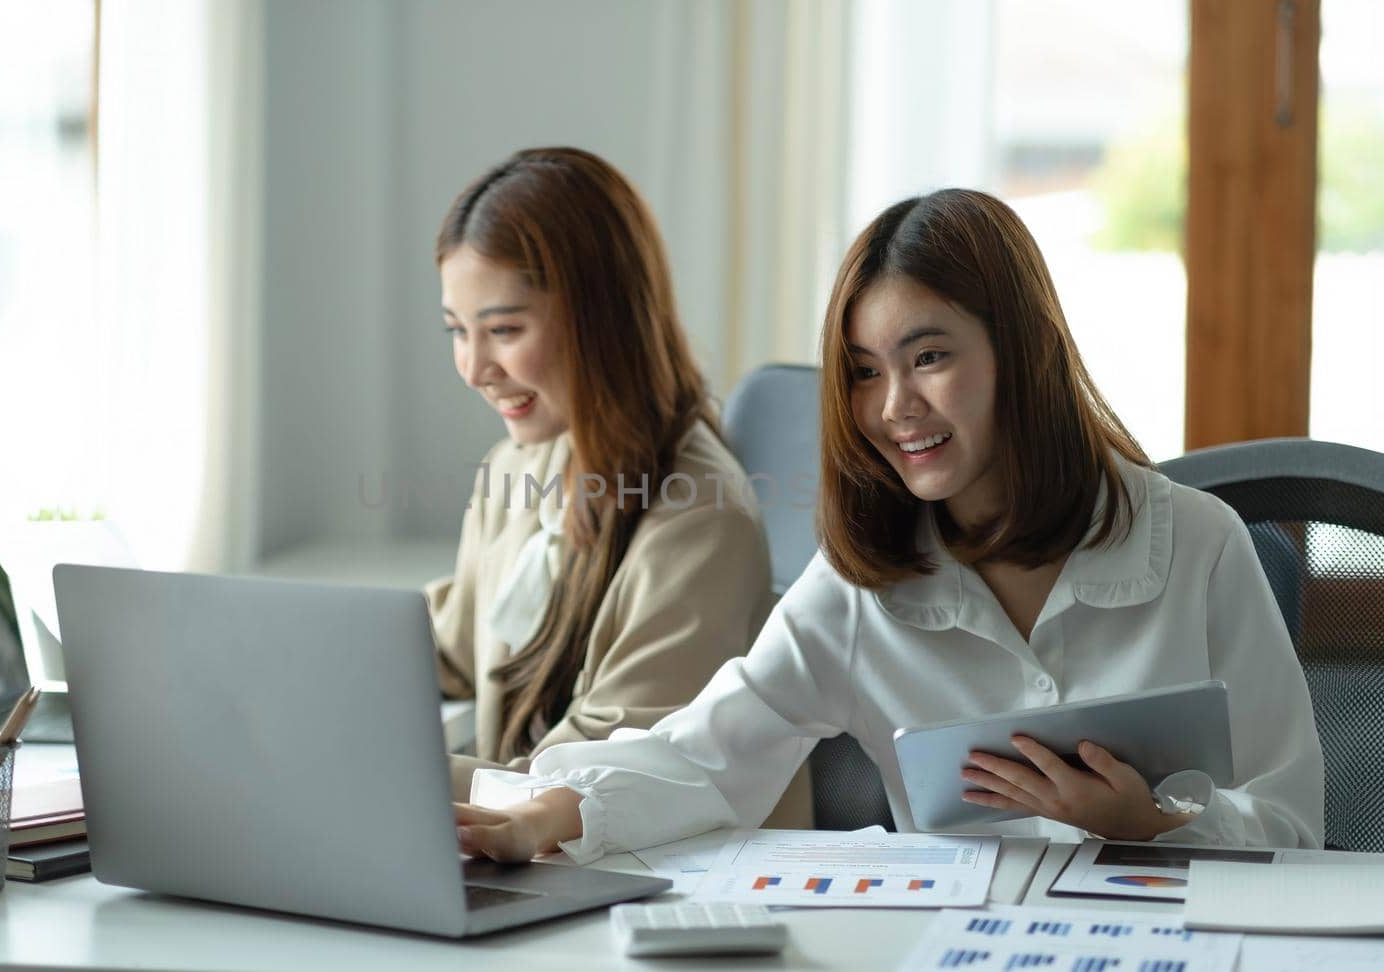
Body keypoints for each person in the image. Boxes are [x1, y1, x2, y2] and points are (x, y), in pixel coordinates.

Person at [453, 188, 1324, 863]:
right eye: (865, 372)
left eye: (930, 357)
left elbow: (1292, 824)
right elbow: (707, 754)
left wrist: (1156, 821)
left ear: (1021, 353)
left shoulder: (1200, 545)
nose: (895, 408)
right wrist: (539, 819)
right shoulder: (865, 581)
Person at [426, 147, 811, 827]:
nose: (474, 367)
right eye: (459, 331)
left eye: (504, 330)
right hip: (522, 858)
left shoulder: (700, 519)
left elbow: (577, 790)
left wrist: (394, 771)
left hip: (642, 872)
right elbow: (454, 648)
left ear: (599, 319)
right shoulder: (515, 468)